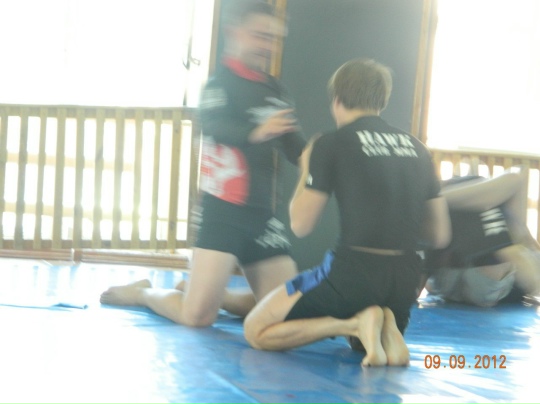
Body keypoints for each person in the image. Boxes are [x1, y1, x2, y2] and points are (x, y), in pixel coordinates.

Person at [100, 0, 306, 327]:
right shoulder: (218, 85)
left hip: (262, 218)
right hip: (223, 214)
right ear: (234, 33)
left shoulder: (275, 91)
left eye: (273, 39)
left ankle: (213, 294)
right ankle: (143, 292)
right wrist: (257, 131)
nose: (267, 45)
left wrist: (323, 158)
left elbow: (296, 148)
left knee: (287, 313)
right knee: (197, 317)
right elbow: (214, 127)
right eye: (260, 36)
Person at [243, 58, 451, 366]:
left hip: (353, 273)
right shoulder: (417, 148)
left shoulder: (331, 143)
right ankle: (384, 327)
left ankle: (351, 324)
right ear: (382, 101)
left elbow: (300, 225)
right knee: (361, 345)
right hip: (405, 281)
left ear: (337, 100)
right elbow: (440, 234)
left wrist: (307, 166)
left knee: (256, 330)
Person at [424, 169, 540, 307]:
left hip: (447, 280)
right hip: (472, 279)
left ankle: (432, 198)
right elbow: (519, 246)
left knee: (514, 180)